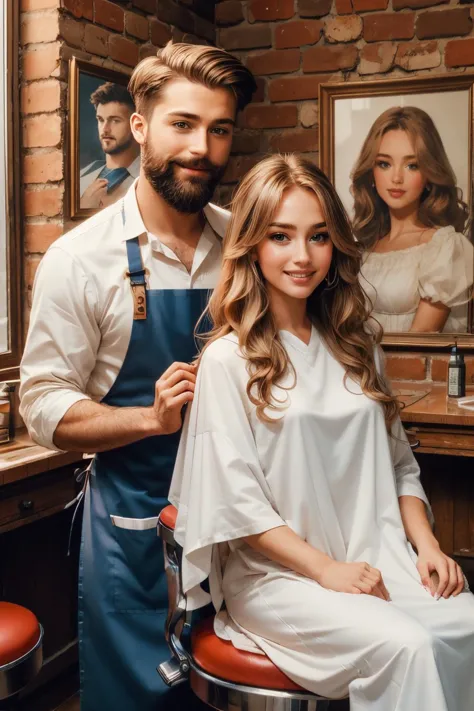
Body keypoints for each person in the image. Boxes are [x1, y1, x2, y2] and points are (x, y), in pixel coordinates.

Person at [170, 154, 474, 711]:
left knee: (468, 626)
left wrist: (427, 546)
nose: (302, 256)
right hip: (277, 579)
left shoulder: (358, 348)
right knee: (405, 646)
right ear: (253, 246)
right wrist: (326, 570)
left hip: (377, 557)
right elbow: (238, 509)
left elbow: (401, 465)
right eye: (281, 236)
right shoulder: (227, 361)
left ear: (336, 245)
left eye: (318, 237)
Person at [19, 42, 256, 711]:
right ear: (143, 125)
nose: (202, 148)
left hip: (243, 531)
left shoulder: (247, 246)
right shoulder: (80, 259)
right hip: (134, 533)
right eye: (183, 124)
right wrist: (150, 419)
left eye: (219, 130)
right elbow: (43, 406)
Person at [351, 106, 473, 333]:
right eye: (384, 164)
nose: (396, 178)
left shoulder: (445, 248)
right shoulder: (365, 248)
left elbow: (416, 350)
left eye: (412, 165)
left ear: (429, 175)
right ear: (372, 173)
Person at [80, 82, 141, 210]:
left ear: (136, 125)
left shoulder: (151, 180)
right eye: (101, 120)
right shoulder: (82, 177)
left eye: (115, 121)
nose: (105, 129)